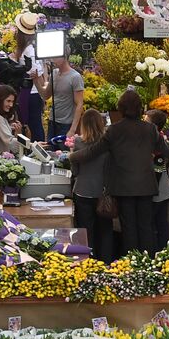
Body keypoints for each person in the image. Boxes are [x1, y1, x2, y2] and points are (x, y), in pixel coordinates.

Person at [67, 90, 169, 255]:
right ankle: (147, 262)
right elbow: (167, 151)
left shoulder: (114, 130)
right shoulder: (150, 129)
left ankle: (130, 263)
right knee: (146, 226)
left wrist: (72, 156)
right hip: (146, 186)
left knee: (128, 227)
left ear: (120, 108)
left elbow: (93, 151)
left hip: (123, 187)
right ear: (140, 108)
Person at [70, 108, 115, 261]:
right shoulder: (108, 144)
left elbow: (75, 171)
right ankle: (107, 262)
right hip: (103, 193)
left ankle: (88, 262)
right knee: (105, 230)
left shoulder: (78, 142)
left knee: (86, 232)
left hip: (83, 191)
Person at [0, 13, 38, 136]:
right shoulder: (25, 48)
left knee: (30, 125)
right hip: (27, 90)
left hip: (30, 92)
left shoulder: (29, 51)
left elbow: (34, 73)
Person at [36, 52, 85, 141]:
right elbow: (46, 95)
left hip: (66, 124)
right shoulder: (54, 73)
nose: (52, 59)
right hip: (52, 121)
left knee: (64, 153)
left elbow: (79, 104)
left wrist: (72, 130)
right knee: (51, 151)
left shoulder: (75, 77)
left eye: (56, 56)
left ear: (64, 56)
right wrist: (35, 80)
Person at [147, 109, 169, 251]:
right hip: (164, 187)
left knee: (155, 222)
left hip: (158, 187)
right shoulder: (161, 137)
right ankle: (163, 251)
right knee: (161, 221)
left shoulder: (157, 140)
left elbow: (157, 166)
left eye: (146, 121)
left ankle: (157, 251)